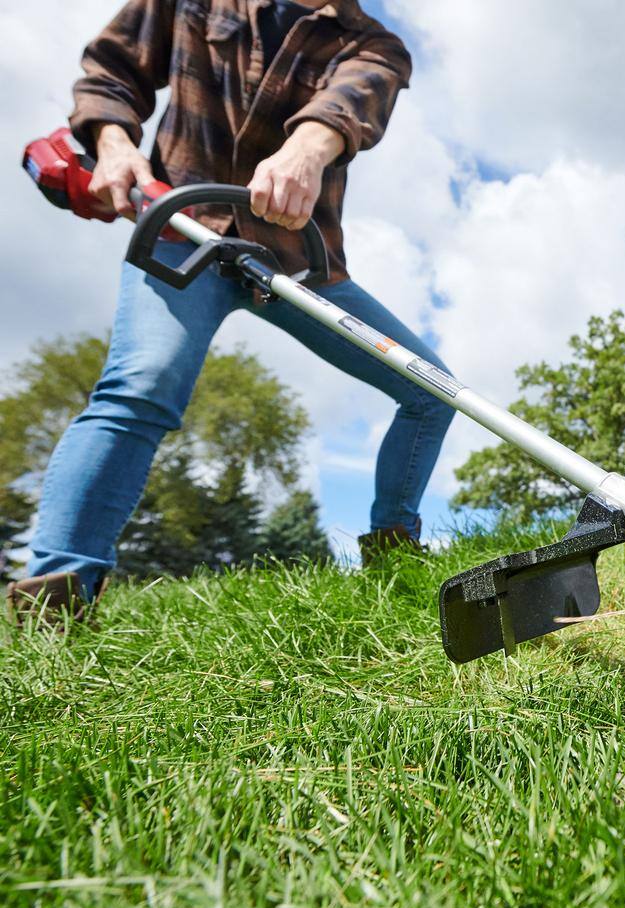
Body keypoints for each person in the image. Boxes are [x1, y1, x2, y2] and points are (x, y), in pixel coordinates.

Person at [7, 0, 454, 623]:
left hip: (296, 258)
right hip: (182, 234)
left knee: (432, 391)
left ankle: (395, 557)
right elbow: (112, 72)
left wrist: (305, 150)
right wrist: (113, 145)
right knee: (143, 383)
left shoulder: (374, 44)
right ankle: (57, 596)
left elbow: (348, 105)